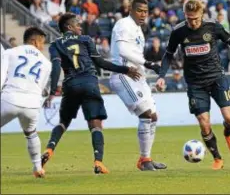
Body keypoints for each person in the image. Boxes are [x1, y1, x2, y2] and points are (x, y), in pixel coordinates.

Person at [156, 0, 230, 170]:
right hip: (195, 83)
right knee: (204, 122)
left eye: (196, 18)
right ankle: (218, 158)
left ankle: (228, 132)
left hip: (216, 78)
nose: (193, 22)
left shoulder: (213, 26)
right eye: (189, 19)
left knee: (229, 118)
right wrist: (161, 76)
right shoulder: (179, 31)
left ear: (202, 14)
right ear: (185, 15)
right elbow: (168, 54)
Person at [41, 13, 141, 175]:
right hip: (89, 83)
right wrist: (126, 69)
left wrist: (52, 91)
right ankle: (98, 162)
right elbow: (101, 63)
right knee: (95, 124)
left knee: (63, 123)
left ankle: (49, 150)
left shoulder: (55, 45)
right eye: (77, 24)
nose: (80, 27)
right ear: (69, 27)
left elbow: (56, 68)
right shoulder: (85, 40)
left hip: (70, 85)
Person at [109, 0, 167, 171]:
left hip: (137, 76)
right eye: (139, 10)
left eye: (145, 11)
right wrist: (150, 64)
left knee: (153, 117)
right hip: (123, 75)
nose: (143, 14)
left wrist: (147, 71)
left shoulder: (139, 31)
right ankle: (144, 161)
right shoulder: (123, 25)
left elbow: (136, 57)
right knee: (146, 114)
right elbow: (123, 51)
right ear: (131, 10)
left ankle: (145, 158)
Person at [1, 27, 52, 178]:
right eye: (42, 43)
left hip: (10, 98)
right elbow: (41, 88)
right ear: (34, 41)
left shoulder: (10, 52)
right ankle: (38, 168)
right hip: (32, 104)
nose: (43, 47)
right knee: (31, 133)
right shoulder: (46, 63)